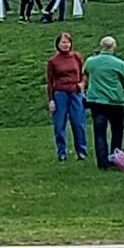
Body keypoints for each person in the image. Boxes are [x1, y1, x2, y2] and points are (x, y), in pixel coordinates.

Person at [84, 35, 124, 169]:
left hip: (96, 101)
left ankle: (102, 163)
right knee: (117, 130)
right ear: (113, 47)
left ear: (101, 46)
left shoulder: (90, 61)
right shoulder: (119, 63)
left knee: (99, 132)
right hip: (115, 101)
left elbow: (85, 72)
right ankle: (116, 158)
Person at [46, 31, 90, 161]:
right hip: (60, 94)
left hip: (75, 92)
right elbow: (50, 81)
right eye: (63, 42)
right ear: (58, 44)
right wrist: (51, 100)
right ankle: (62, 152)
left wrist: (83, 83)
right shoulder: (53, 61)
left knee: (78, 123)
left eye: (68, 42)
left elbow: (83, 73)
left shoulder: (76, 57)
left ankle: (81, 151)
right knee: (60, 124)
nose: (65, 45)